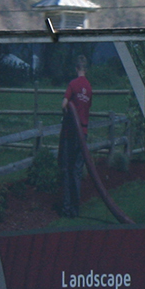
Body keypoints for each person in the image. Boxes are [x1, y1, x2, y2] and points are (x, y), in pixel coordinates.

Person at [59, 55, 92, 217]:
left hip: (70, 133)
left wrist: (66, 115)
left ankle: (66, 208)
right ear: (85, 69)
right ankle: (75, 209)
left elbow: (64, 104)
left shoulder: (72, 84)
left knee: (66, 170)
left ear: (76, 69)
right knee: (77, 171)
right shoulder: (89, 88)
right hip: (83, 135)